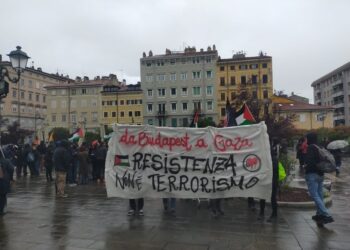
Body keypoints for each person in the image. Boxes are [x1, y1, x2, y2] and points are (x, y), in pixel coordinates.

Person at [305, 132, 334, 225]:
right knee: (319, 194)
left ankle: (326, 214)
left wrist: (305, 166)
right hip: (320, 174)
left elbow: (310, 161)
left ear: (309, 138)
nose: (306, 140)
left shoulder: (311, 148)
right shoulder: (319, 146)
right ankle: (320, 214)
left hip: (312, 174)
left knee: (314, 195)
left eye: (306, 138)